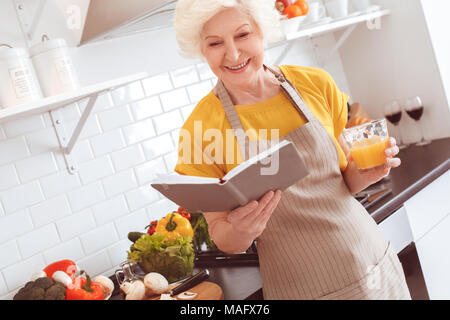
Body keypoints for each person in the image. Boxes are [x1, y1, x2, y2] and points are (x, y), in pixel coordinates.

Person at [173, 0, 411, 300]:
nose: (232, 54)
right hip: (300, 288)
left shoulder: (314, 84)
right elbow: (224, 238)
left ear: (263, 30)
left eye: (243, 35)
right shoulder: (199, 130)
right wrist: (241, 228)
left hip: (371, 264)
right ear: (201, 48)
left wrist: (368, 171)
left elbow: (343, 182)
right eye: (215, 43)